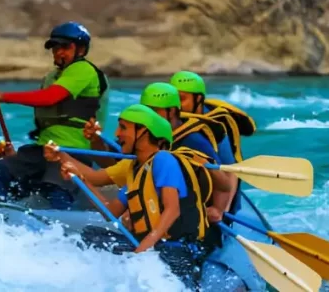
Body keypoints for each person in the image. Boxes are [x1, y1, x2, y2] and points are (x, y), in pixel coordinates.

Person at [46, 104, 221, 289]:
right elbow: (110, 211)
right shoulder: (136, 173)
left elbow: (172, 210)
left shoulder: (164, 159)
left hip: (176, 249)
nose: (117, 133)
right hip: (153, 248)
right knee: (92, 236)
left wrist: (142, 251)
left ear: (144, 131)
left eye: (123, 127)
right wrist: (79, 179)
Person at [0, 21, 109, 209]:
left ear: (81, 50)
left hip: (73, 151)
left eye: (65, 47)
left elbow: (50, 98)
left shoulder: (84, 70)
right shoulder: (52, 76)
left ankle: (61, 230)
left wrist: (4, 97)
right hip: (44, 149)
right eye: (55, 47)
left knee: (55, 189)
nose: (59, 52)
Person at [83, 82, 237, 222]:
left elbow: (220, 178)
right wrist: (95, 142)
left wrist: (219, 209)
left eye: (155, 111)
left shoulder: (194, 141)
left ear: (172, 112)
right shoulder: (145, 136)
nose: (150, 116)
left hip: (192, 212)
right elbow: (113, 163)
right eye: (146, 111)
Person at [171, 71, 255, 214]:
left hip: (222, 188)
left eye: (181, 99)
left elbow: (231, 169)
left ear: (198, 99)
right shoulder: (171, 117)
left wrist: (223, 210)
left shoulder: (218, 124)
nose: (176, 106)